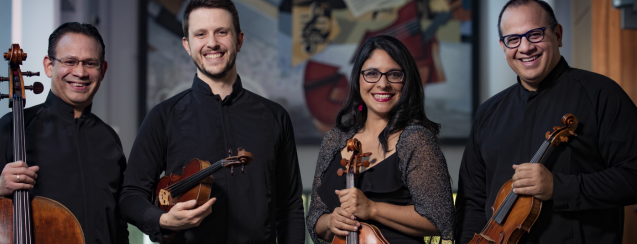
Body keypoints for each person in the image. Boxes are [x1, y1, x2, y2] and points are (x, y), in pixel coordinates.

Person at [119, 0, 305, 243]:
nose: (212, 43)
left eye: (221, 32)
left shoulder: (274, 117)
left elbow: (290, 207)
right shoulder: (163, 116)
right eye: (200, 34)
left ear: (239, 40)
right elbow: (131, 195)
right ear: (187, 44)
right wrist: (162, 220)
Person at [454, 0, 637, 243]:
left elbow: (633, 175)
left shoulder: (602, 95)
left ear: (558, 34)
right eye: (513, 39)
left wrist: (558, 187)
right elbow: (472, 203)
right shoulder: (488, 113)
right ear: (503, 46)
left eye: (535, 34)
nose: (525, 47)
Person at [0, 22, 129, 243]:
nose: (80, 72)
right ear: (49, 66)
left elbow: (117, 224)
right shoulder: (14, 127)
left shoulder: (109, 139)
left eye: (90, 63)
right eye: (69, 61)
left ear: (102, 70)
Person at [306, 35, 454, 243]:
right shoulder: (335, 140)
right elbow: (315, 218)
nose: (382, 84)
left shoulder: (416, 140)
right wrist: (331, 221)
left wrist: (372, 208)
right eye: (372, 74)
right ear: (358, 79)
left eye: (394, 74)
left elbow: (441, 220)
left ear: (406, 81)